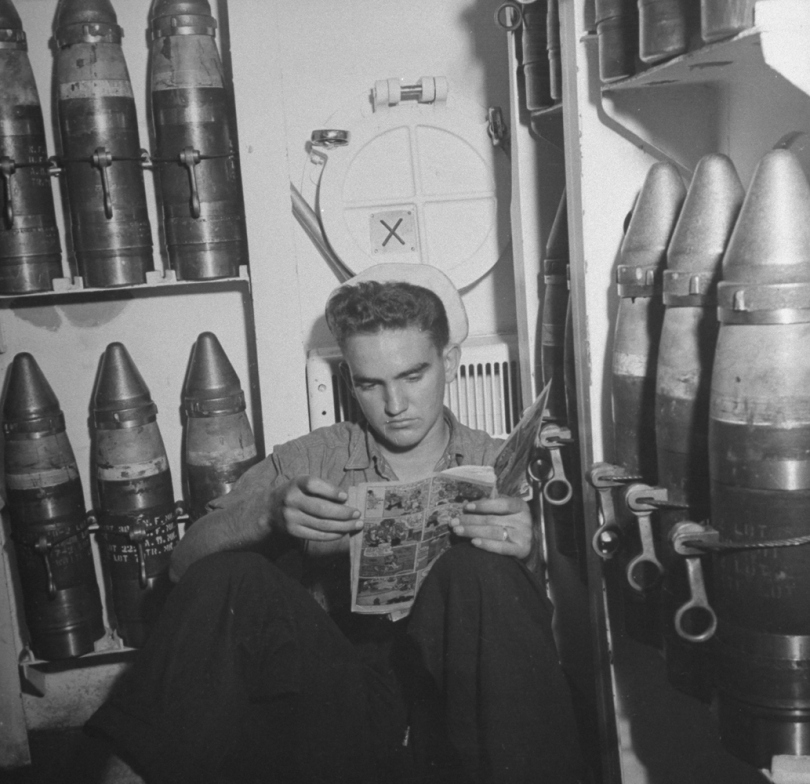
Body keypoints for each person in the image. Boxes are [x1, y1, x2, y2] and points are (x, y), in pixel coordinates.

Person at [84, 263, 585, 784]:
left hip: (455, 721)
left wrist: (524, 553)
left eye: (413, 376)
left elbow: (524, 646)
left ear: (450, 362)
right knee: (228, 577)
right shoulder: (311, 458)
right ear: (350, 379)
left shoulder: (495, 462)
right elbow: (182, 567)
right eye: (371, 384)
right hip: (343, 711)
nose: (394, 405)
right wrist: (266, 514)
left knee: (481, 573)